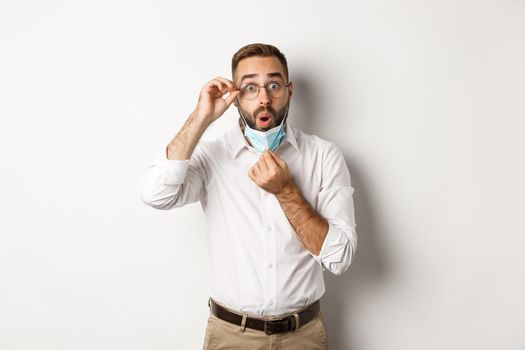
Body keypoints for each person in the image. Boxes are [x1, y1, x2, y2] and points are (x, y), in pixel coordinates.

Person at [141, 43, 357, 350]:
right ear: (236, 95)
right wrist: (201, 117)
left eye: (273, 85)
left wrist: (286, 191)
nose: (264, 98)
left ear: (289, 90)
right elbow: (155, 194)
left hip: (304, 336)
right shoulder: (214, 156)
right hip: (231, 336)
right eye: (250, 87)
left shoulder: (324, 156)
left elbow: (339, 258)